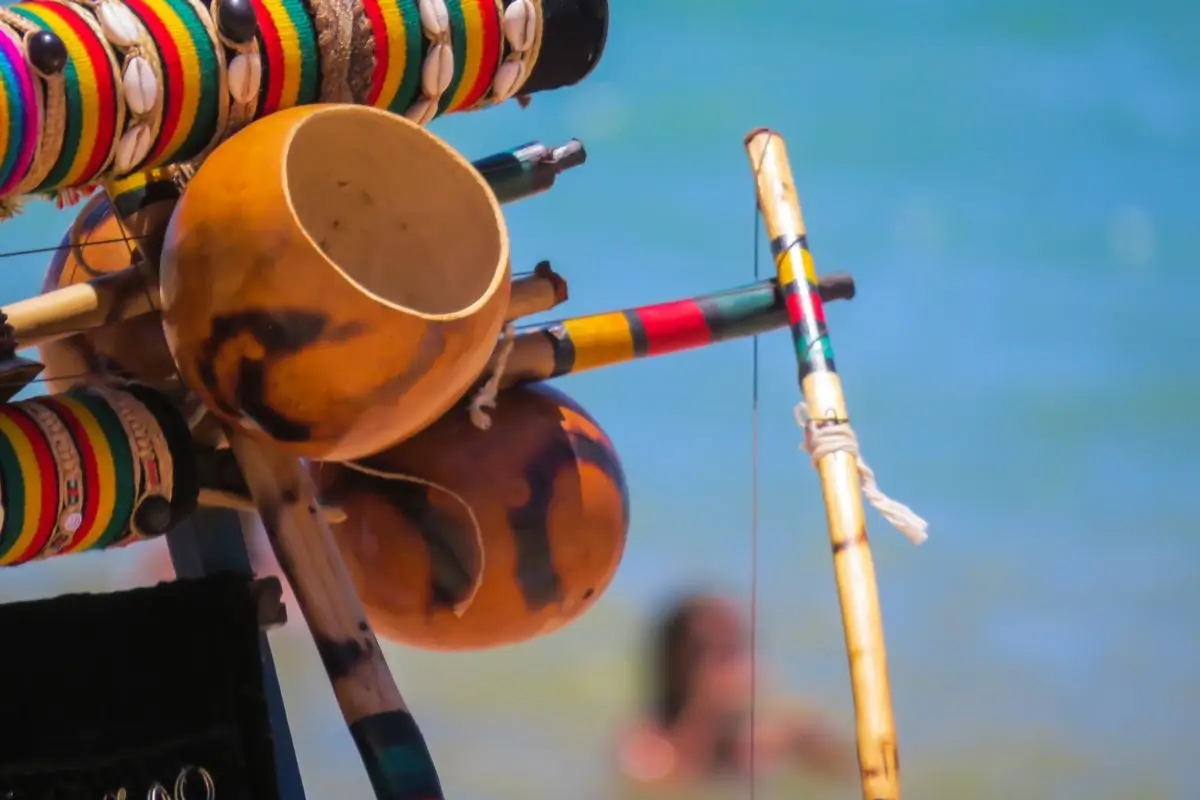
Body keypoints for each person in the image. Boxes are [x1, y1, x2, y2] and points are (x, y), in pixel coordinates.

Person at [614, 592, 857, 797]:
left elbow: (853, 771)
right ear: (674, 664)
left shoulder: (757, 742)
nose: (733, 668)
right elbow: (658, 785)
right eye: (715, 654)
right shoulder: (645, 748)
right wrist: (704, 713)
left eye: (737, 649)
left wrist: (804, 731)